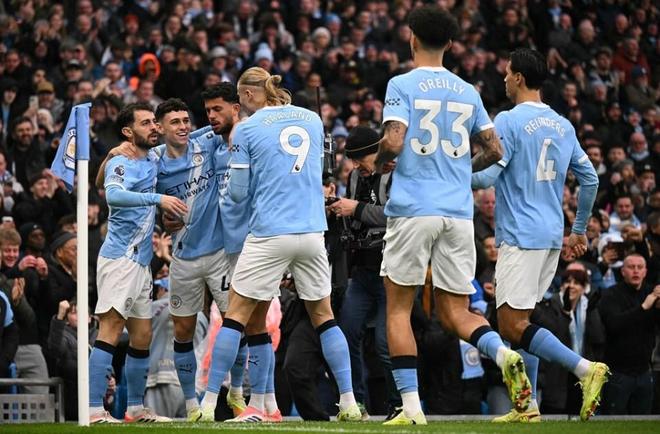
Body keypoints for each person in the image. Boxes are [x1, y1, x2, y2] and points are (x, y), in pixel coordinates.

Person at [374, 6, 529, 425]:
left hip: (413, 208)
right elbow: (494, 150)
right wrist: (462, 172)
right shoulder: (467, 90)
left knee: (398, 310)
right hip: (458, 213)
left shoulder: (401, 83)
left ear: (412, 38)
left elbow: (394, 139)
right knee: (456, 312)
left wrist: (379, 161)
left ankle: (411, 408)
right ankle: (503, 354)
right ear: (449, 43)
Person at [198, 66, 362, 423]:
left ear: (247, 95)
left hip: (270, 232)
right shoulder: (312, 119)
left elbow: (237, 194)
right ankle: (349, 403)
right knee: (324, 318)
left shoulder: (247, 128)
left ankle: (207, 405)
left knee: (235, 316)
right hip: (312, 232)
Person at [472, 47, 608, 422]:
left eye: (507, 72)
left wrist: (450, 175)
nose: (503, 78)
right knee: (523, 321)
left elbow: (487, 176)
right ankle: (527, 406)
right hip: (550, 235)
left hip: (520, 234)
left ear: (518, 78)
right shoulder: (563, 125)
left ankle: (584, 369)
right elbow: (590, 179)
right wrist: (578, 230)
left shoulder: (509, 120)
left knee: (510, 325)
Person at [87, 102, 187, 424]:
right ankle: (93, 409)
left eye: (154, 121)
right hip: (120, 259)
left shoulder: (151, 157)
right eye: (146, 123)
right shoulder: (122, 161)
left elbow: (99, 179)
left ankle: (134, 409)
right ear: (128, 132)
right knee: (111, 329)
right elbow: (113, 195)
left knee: (142, 336)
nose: (154, 127)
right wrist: (159, 199)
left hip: (142, 263)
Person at [329, 126, 402, 419]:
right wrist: (338, 209)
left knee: (387, 342)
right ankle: (355, 403)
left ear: (377, 152)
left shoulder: (395, 175)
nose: (356, 164)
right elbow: (355, 217)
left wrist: (355, 208)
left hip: (391, 271)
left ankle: (400, 404)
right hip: (361, 270)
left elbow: (396, 216)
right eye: (353, 159)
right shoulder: (355, 177)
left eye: (361, 158)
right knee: (346, 334)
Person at [598, 254, 660, 415]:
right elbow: (614, 324)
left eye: (640, 267)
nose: (636, 271)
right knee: (613, 421)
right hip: (618, 372)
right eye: (631, 267)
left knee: (642, 422)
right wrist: (643, 307)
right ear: (623, 271)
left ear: (645, 272)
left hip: (644, 371)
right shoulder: (611, 295)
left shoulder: (651, 293)